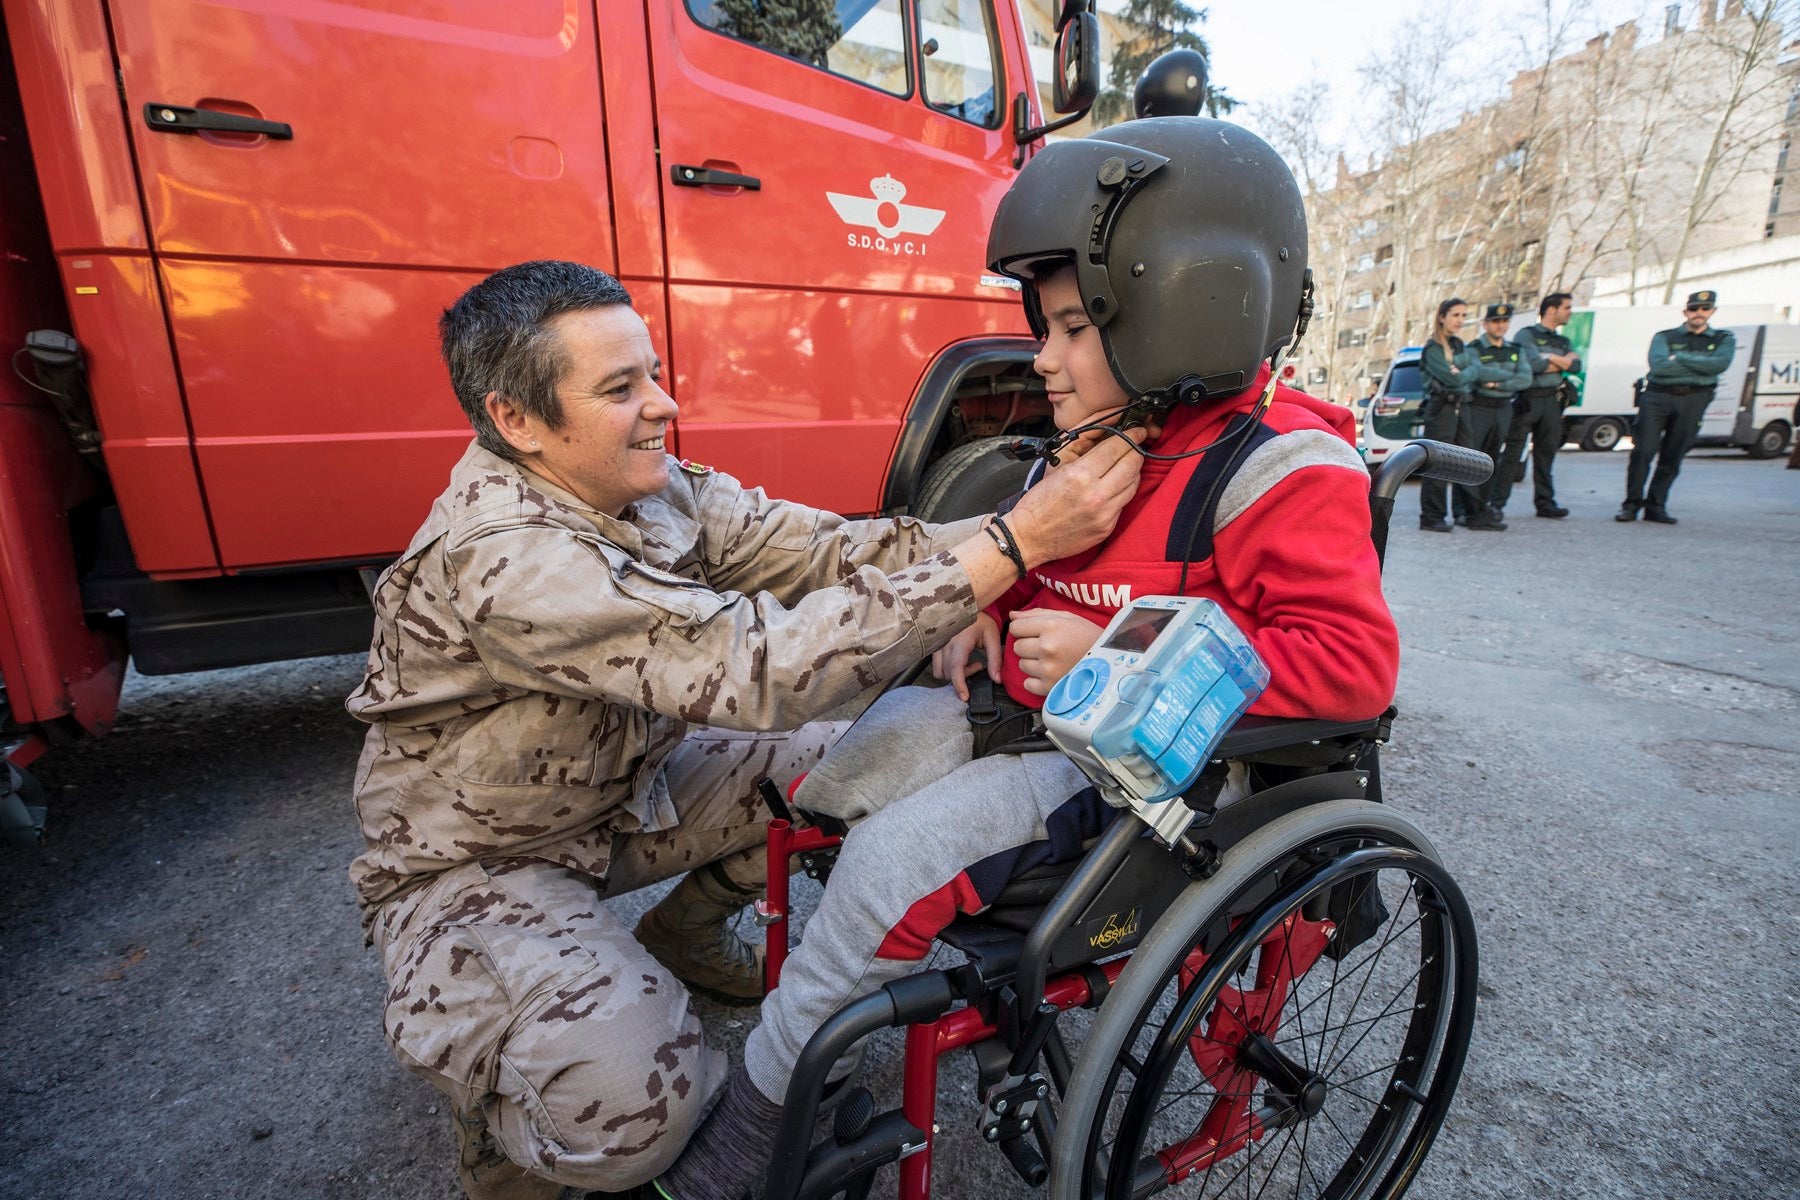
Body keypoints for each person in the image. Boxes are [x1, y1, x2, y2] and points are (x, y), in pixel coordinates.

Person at [653, 116, 1400, 1200]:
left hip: (1151, 783)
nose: (1040, 356)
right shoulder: (1099, 448)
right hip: (1029, 725)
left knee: (890, 866)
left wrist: (1117, 654)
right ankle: (826, 1011)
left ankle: (758, 1121)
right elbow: (1039, 579)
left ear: (1178, 310)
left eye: (1068, 330)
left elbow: (1351, 671)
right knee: (824, 768)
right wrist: (989, 606)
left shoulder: (1283, 472)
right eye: (1040, 326)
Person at [343, 260, 1145, 1199]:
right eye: (620, 389)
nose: (663, 404)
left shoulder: (635, 481)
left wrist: (1010, 533)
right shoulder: (509, 561)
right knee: (640, 1109)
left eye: (650, 372)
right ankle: (507, 1120)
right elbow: (761, 668)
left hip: (620, 792)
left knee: (861, 766)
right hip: (482, 857)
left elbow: (830, 550)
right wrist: (1012, 551)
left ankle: (684, 935)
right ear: (516, 420)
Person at [1617, 289, 1736, 524]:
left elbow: (1719, 365)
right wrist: (1701, 365)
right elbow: (1659, 367)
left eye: (1704, 308)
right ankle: (1631, 505)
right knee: (1643, 451)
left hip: (1694, 399)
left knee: (1674, 454)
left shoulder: (1722, 339)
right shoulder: (1666, 336)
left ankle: (1656, 506)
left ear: (1712, 311)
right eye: (1694, 309)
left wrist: (1680, 359)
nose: (1698, 313)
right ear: (1686, 311)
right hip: (1658, 396)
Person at [1497, 292, 1581, 520]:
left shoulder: (1562, 340)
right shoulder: (1527, 335)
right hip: (1529, 399)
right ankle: (1496, 504)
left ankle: (1545, 503)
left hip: (1553, 401)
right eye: (1567, 307)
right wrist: (1563, 361)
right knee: (1513, 454)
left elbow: (1576, 366)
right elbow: (1533, 364)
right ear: (1552, 310)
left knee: (1546, 454)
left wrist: (1550, 358)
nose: (1570, 312)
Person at [1460, 303, 1532, 529]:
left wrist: (1496, 382)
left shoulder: (1514, 349)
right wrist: (1505, 377)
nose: (1501, 325)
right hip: (1478, 407)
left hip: (1503, 408)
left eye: (1504, 321)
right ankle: (1463, 511)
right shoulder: (1474, 348)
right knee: (1470, 459)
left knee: (1490, 460)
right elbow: (1476, 372)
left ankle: (1483, 508)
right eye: (1495, 321)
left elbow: (1525, 378)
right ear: (1486, 324)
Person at [1417, 298, 1480, 532]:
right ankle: (1432, 516)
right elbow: (1453, 378)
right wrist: (1465, 370)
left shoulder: (1459, 346)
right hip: (1442, 408)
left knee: (1466, 461)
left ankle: (1463, 513)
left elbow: (1475, 369)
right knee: (1439, 463)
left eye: (1464, 315)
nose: (1460, 320)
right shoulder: (1434, 347)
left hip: (1462, 407)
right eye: (1455, 315)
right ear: (1442, 317)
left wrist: (1465, 367)